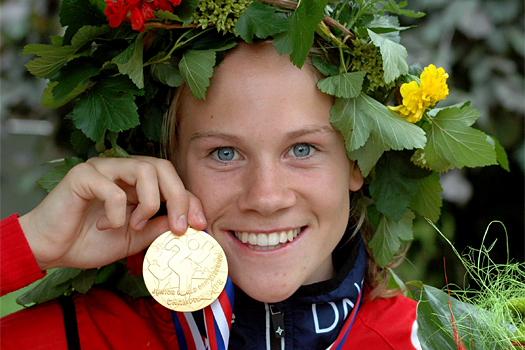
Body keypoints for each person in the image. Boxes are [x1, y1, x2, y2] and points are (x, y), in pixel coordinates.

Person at [1, 40, 422, 349]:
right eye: (224, 153)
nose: (266, 196)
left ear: (356, 162)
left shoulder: (437, 339)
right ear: (170, 164)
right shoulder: (76, 338)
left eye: (302, 149)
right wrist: (32, 243)